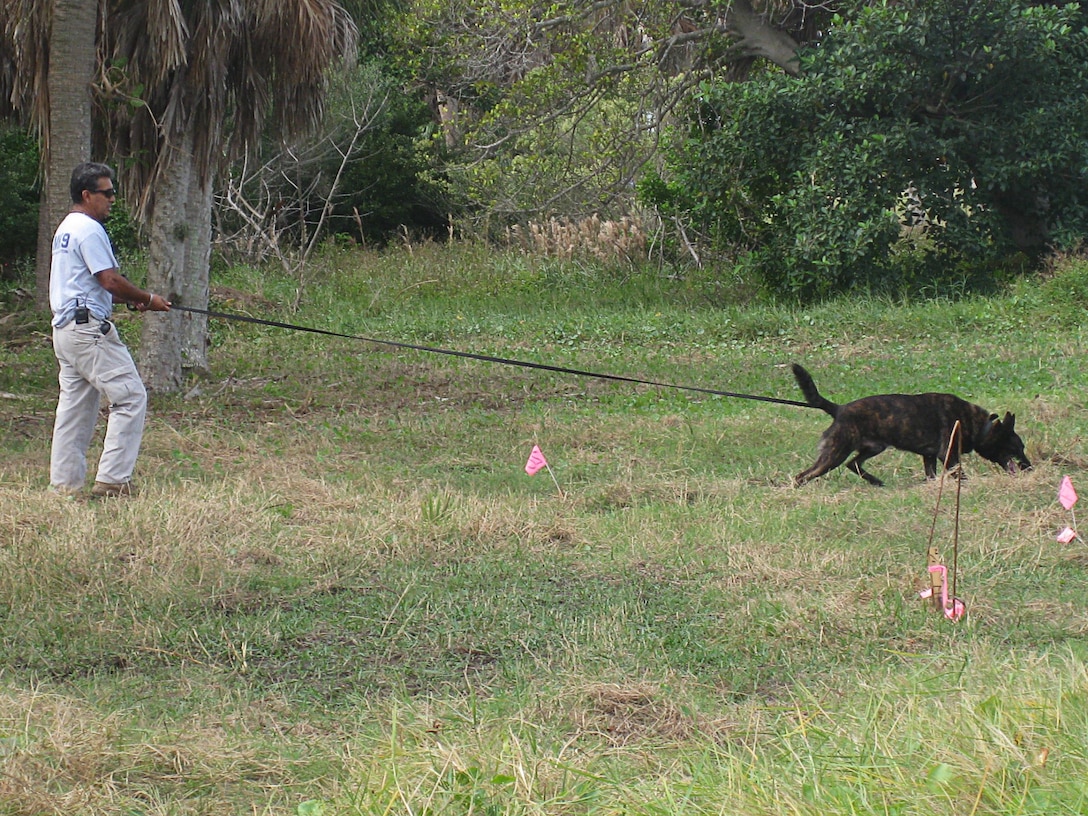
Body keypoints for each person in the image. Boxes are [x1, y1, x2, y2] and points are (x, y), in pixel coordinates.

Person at [48, 162, 171, 498]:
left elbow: (93, 285)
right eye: (107, 193)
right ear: (87, 195)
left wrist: (129, 300)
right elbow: (109, 279)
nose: (113, 198)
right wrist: (148, 298)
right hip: (87, 331)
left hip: (67, 330)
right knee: (131, 396)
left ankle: (64, 487)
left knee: (74, 411)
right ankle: (113, 482)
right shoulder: (89, 229)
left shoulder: (66, 228)